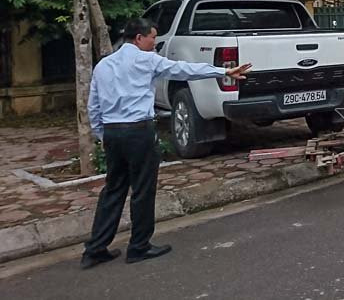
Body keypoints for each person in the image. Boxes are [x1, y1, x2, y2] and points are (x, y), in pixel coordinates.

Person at [81, 18, 251, 269]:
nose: (155, 42)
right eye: (152, 37)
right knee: (143, 189)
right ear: (139, 38)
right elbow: (184, 69)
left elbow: (93, 106)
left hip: (113, 132)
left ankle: (95, 249)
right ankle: (139, 247)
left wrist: (103, 135)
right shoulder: (147, 60)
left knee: (113, 189)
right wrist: (223, 71)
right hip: (139, 131)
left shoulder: (103, 65)